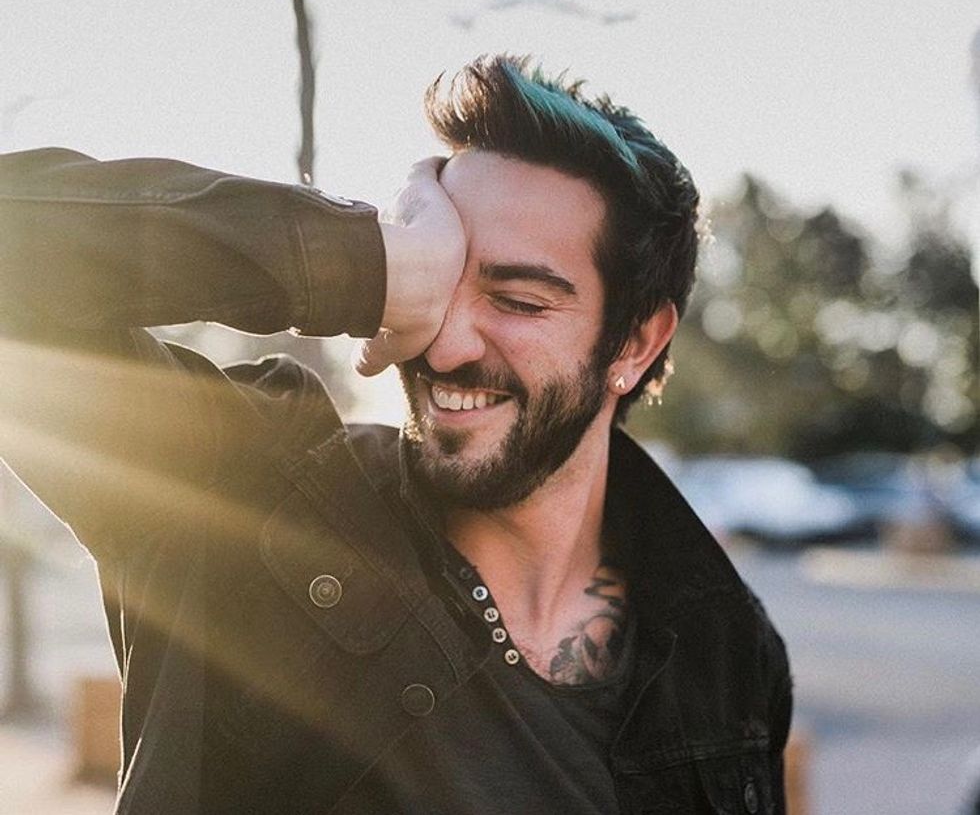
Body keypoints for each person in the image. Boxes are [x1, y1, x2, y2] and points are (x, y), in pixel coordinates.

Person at [0, 55, 791, 813]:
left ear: (636, 343)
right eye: (436, 283)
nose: (444, 347)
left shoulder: (727, 651)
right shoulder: (241, 493)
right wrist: (360, 261)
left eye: (517, 301)